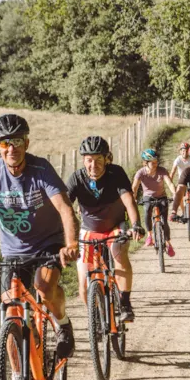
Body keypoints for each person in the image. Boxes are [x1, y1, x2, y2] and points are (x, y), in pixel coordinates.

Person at [0, 114, 79, 367]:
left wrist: (71, 243)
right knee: (11, 313)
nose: (11, 149)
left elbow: (65, 209)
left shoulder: (41, 169)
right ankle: (14, 379)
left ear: (27, 143)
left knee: (44, 288)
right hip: (13, 251)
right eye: (4, 143)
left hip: (48, 244)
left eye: (17, 141)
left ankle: (62, 323)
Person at [66, 136, 144, 322]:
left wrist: (136, 225)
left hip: (115, 227)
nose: (94, 165)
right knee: (84, 283)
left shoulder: (115, 173)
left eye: (99, 160)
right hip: (88, 230)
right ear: (83, 160)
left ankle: (125, 303)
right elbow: (64, 208)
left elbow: (128, 200)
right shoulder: (76, 178)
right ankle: (96, 319)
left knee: (118, 252)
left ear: (106, 159)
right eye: (89, 160)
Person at [131, 148, 177, 257]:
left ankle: (168, 243)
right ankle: (150, 235)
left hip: (162, 197)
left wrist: (174, 193)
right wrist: (133, 198)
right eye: (152, 163)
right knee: (147, 210)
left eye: (156, 162)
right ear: (145, 163)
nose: (155, 164)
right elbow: (134, 187)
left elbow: (169, 183)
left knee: (164, 221)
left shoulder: (162, 170)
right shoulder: (140, 173)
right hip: (148, 197)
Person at [171, 141, 190, 219]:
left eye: (186, 150)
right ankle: (184, 211)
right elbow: (172, 172)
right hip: (182, 181)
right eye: (183, 151)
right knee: (178, 195)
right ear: (180, 151)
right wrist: (171, 183)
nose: (185, 152)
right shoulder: (178, 160)